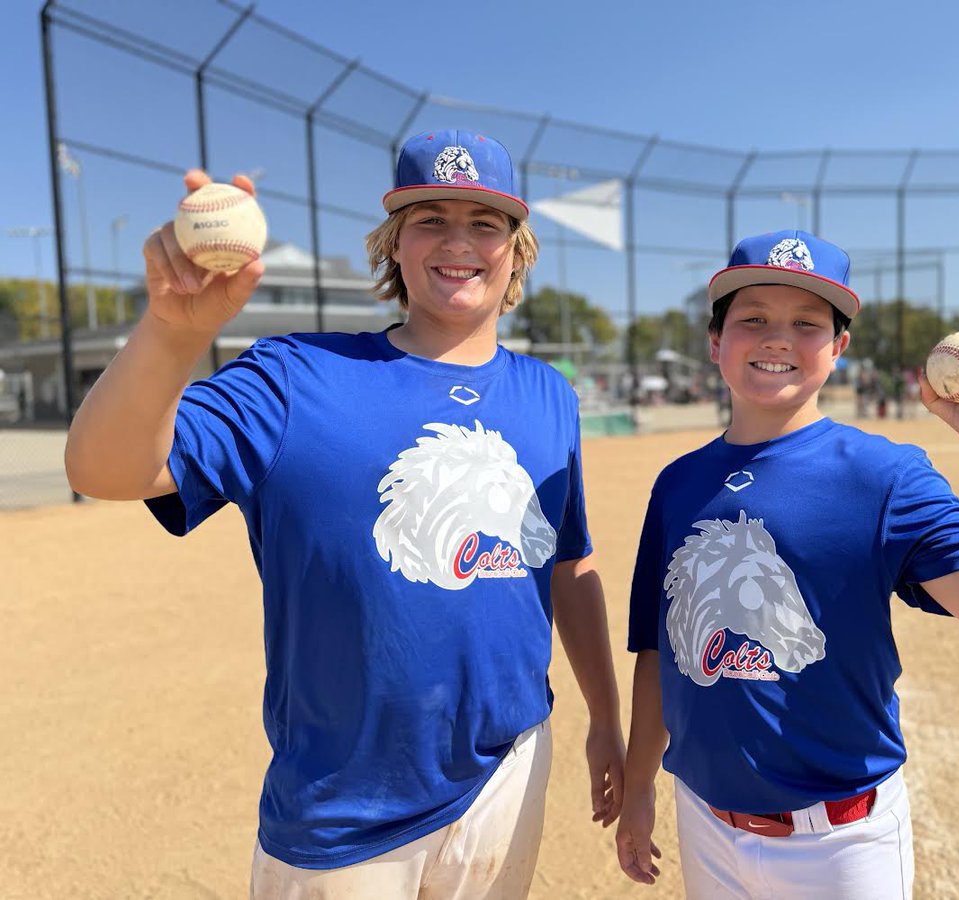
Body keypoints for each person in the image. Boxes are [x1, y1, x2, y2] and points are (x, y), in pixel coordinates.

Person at [64, 129, 625, 898]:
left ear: (516, 250)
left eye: (484, 222)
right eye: (430, 218)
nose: (458, 241)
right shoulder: (297, 377)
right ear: (394, 244)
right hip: (344, 811)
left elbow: (567, 562)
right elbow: (104, 468)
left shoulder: (549, 395)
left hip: (509, 771)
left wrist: (603, 717)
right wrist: (174, 333)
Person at [614, 229, 959, 898]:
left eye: (807, 324)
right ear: (716, 343)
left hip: (839, 847)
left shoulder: (883, 477)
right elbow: (661, 652)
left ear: (837, 350)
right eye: (754, 320)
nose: (779, 338)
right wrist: (638, 789)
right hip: (706, 825)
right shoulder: (679, 484)